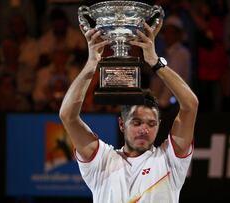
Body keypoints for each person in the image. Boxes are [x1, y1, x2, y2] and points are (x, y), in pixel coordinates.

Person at [59, 20, 198, 203]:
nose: (144, 129)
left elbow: (190, 105)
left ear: (159, 126)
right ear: (122, 124)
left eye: (151, 123)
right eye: (137, 122)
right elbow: (67, 116)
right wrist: (91, 65)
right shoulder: (102, 160)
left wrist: (155, 63)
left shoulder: (170, 161)